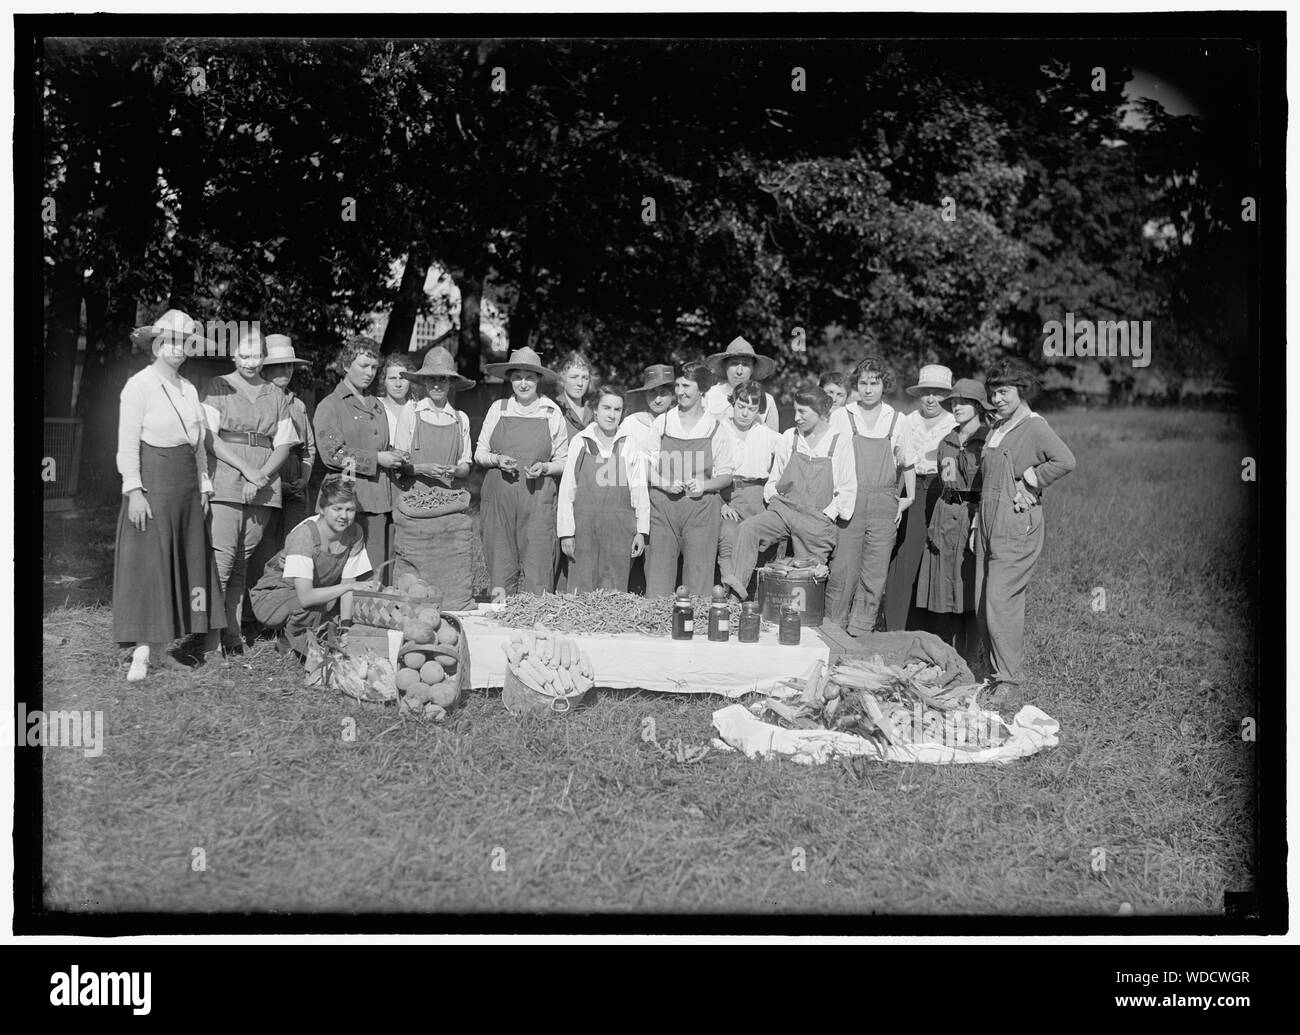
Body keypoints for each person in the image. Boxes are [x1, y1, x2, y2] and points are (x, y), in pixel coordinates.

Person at [113, 309, 227, 680]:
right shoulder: (138, 385)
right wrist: (134, 491)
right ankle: (142, 652)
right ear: (155, 344)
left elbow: (197, 445)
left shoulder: (189, 388)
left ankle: (162, 650)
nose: (177, 350)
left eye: (184, 343)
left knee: (183, 563)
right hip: (153, 482)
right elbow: (127, 444)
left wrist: (205, 485)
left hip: (186, 484)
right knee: (152, 565)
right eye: (170, 342)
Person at [974, 358, 1076, 694]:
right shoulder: (998, 427)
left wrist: (1033, 481)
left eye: (1004, 391)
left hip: (1016, 523)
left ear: (1020, 390)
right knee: (982, 600)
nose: (998, 399)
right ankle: (993, 672)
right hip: (989, 522)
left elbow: (1065, 460)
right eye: (993, 392)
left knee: (1000, 600)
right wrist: (978, 522)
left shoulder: (1033, 426)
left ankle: (1009, 679)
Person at [201, 329, 300, 653]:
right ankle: (210, 638)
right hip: (227, 481)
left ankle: (232, 634)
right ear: (234, 356)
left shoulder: (276, 394)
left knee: (243, 562)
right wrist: (247, 471)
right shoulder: (219, 386)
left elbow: (284, 444)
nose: (250, 362)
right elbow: (209, 437)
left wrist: (261, 476)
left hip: (264, 486)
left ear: (263, 358)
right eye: (244, 355)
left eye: (256, 356)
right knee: (223, 560)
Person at [722, 387, 856, 600]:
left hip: (816, 520)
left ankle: (800, 621)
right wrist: (776, 501)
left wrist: (826, 515)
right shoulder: (789, 437)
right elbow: (774, 480)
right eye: (795, 411)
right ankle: (735, 598)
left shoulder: (839, 442)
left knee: (806, 576)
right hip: (784, 511)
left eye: (803, 412)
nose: (796, 417)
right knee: (748, 529)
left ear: (820, 412)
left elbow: (847, 490)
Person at [825, 356, 917, 635]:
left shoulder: (897, 419)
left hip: (884, 502)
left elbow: (907, 462)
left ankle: (861, 632)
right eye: (863, 383)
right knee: (843, 568)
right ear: (856, 385)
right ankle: (834, 629)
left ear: (883, 385)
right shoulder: (842, 416)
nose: (868, 389)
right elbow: (829, 458)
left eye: (874, 383)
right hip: (850, 500)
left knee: (875, 572)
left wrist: (909, 497)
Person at [476, 347, 570, 595]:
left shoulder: (551, 411)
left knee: (538, 563)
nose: (523, 383)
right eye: (517, 377)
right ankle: (499, 619)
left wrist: (546, 467)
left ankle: (534, 618)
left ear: (538, 379)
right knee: (500, 561)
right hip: (500, 497)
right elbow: (479, 453)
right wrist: (497, 460)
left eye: (529, 377)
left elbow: (564, 459)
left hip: (537, 496)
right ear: (510, 379)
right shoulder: (499, 408)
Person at [249, 475, 375, 659]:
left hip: (319, 592)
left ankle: (309, 638)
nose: (344, 516)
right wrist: (346, 587)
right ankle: (295, 644)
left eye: (350, 510)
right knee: (313, 607)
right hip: (276, 595)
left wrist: (346, 628)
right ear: (323, 509)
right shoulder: (305, 535)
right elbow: (307, 597)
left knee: (341, 618)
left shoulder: (354, 533)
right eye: (337, 509)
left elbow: (349, 583)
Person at [390, 346, 478, 609]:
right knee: (415, 565)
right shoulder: (411, 413)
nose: (437, 385)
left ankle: (450, 608)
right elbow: (400, 463)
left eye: (442, 379)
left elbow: (465, 465)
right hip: (415, 504)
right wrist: (422, 468)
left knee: (448, 564)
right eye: (431, 379)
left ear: (451, 383)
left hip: (448, 506)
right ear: (423, 382)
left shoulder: (460, 419)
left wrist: (455, 471)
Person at [312, 336, 403, 577]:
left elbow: (380, 443)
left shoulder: (376, 404)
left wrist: (393, 455)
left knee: (378, 571)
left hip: (380, 500)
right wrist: (377, 459)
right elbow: (332, 453)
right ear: (345, 365)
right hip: (345, 500)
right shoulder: (330, 405)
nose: (370, 373)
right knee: (345, 569)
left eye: (374, 367)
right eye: (363, 366)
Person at [643, 360, 736, 597]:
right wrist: (664, 483)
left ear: (702, 389)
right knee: (658, 575)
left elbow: (726, 475)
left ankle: (695, 626)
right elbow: (645, 465)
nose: (680, 392)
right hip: (664, 507)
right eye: (677, 386)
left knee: (699, 575)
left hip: (701, 510)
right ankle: (657, 623)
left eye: (687, 386)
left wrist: (705, 484)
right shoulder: (663, 423)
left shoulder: (715, 428)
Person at [915, 378, 991, 662]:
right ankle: (944, 658)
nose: (957, 407)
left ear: (978, 406)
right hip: (945, 515)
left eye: (964, 402)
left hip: (973, 517)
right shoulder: (946, 440)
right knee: (944, 590)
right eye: (954, 402)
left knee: (969, 589)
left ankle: (970, 657)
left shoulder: (988, 441)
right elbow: (944, 477)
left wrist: (978, 522)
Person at [882, 364, 957, 631]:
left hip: (942, 491)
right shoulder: (907, 420)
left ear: (947, 395)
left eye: (937, 393)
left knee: (936, 556)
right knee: (905, 555)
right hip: (910, 490)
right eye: (926, 392)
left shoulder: (954, 423)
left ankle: (930, 628)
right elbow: (898, 459)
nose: (931, 399)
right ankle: (895, 628)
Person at [557, 384, 650, 592]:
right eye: (606, 408)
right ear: (595, 410)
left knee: (614, 590)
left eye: (617, 410)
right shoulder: (581, 442)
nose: (611, 415)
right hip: (584, 528)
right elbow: (567, 489)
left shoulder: (629, 443)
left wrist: (641, 531)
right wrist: (566, 533)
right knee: (581, 589)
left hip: (620, 528)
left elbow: (639, 490)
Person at [244, 334, 315, 599]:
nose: (285, 370)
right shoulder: (255, 400)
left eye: (289, 365)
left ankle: (285, 607)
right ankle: (254, 609)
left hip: (295, 483)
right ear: (264, 367)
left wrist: (304, 479)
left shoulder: (297, 405)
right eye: (278, 365)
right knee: (261, 546)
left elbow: (309, 448)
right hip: (265, 479)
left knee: (293, 547)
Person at [717, 381, 781, 595]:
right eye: (741, 406)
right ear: (732, 403)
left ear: (759, 410)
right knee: (728, 533)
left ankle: (749, 591)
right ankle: (728, 585)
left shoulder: (767, 434)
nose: (745, 413)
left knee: (766, 537)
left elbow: (789, 455)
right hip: (728, 493)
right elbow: (705, 468)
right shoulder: (718, 429)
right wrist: (721, 502)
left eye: (752, 409)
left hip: (757, 496)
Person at [620, 364, 678, 594]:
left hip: (666, 498)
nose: (657, 398)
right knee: (630, 548)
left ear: (672, 395)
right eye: (652, 392)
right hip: (635, 495)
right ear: (644, 394)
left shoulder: (678, 422)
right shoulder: (632, 422)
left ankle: (655, 598)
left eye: (663, 392)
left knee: (658, 554)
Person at [550, 350, 595, 591]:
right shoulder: (554, 409)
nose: (579, 383)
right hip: (558, 489)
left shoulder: (594, 413)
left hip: (587, 491)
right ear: (562, 379)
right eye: (574, 376)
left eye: (584, 378)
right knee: (556, 549)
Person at [704, 336, 780, 430]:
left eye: (745, 364)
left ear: (752, 369)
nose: (739, 371)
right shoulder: (709, 395)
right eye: (734, 363)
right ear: (725, 366)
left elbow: (773, 439)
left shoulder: (767, 400)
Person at [376, 353, 417, 453]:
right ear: (383, 380)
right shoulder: (374, 406)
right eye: (392, 378)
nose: (398, 384)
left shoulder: (417, 408)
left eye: (402, 378)